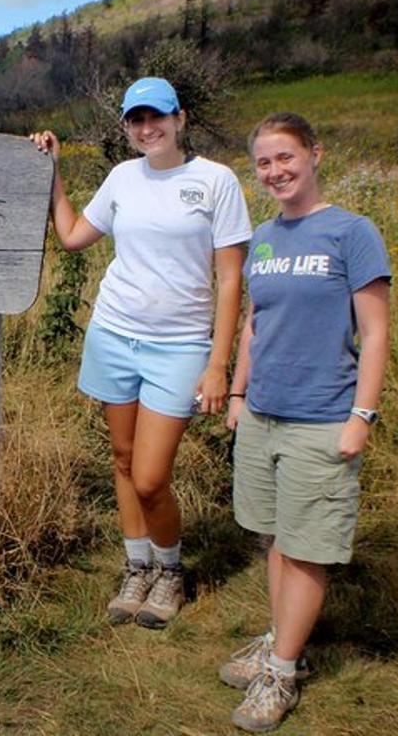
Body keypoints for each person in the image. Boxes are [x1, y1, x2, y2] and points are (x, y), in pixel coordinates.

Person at [33, 77, 251, 628]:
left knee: (152, 476)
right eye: (136, 120)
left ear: (180, 118)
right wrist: (54, 174)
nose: (147, 128)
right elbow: (76, 236)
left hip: (179, 347)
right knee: (124, 461)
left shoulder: (215, 181)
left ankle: (171, 571)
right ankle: (137, 568)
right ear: (126, 127)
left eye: (157, 117)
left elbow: (230, 282)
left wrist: (218, 363)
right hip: (113, 333)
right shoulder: (122, 177)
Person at [222, 112, 390, 732]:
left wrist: (361, 416)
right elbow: (254, 324)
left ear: (314, 154)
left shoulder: (351, 233)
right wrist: (238, 394)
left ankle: (283, 672)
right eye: (264, 163)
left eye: (286, 158)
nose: (276, 171)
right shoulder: (264, 238)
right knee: (274, 539)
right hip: (263, 413)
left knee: (308, 549)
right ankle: (277, 641)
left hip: (323, 417)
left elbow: (374, 333)